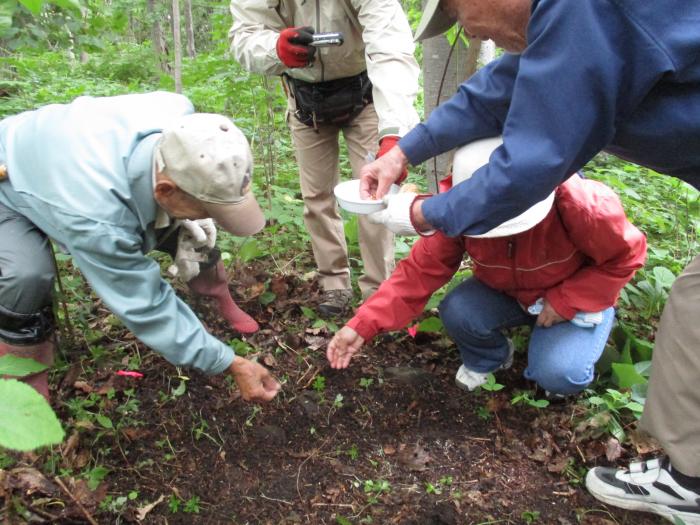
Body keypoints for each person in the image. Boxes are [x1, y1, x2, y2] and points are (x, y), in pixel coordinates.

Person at [357, 0, 700, 523]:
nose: (466, 30)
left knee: (686, 316)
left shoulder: (583, 11)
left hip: (566, 296)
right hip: (516, 296)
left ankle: (688, 483)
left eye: (457, 13)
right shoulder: (569, 32)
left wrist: (428, 213)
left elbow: (530, 165)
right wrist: (403, 153)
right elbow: (493, 93)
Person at [0, 91, 280, 403]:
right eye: (210, 207)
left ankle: (218, 297)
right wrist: (228, 362)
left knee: (193, 236)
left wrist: (198, 213)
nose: (214, 215)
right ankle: (23, 381)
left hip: (67, 162)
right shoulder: (98, 220)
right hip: (9, 179)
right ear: (165, 190)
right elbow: (145, 304)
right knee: (25, 275)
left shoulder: (178, 114)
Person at [328, 136, 646, 399]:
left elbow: (625, 257)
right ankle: (492, 357)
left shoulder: (581, 204)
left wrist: (568, 301)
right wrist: (361, 325)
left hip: (575, 294)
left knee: (560, 374)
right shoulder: (456, 210)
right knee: (458, 309)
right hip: (508, 292)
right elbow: (417, 274)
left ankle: (559, 354)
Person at [229, 0, 420, 316]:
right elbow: (244, 36)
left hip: (365, 96)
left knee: (374, 194)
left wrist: (394, 134)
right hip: (305, 102)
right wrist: (274, 49)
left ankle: (378, 292)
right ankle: (334, 287)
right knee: (316, 197)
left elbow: (391, 49)